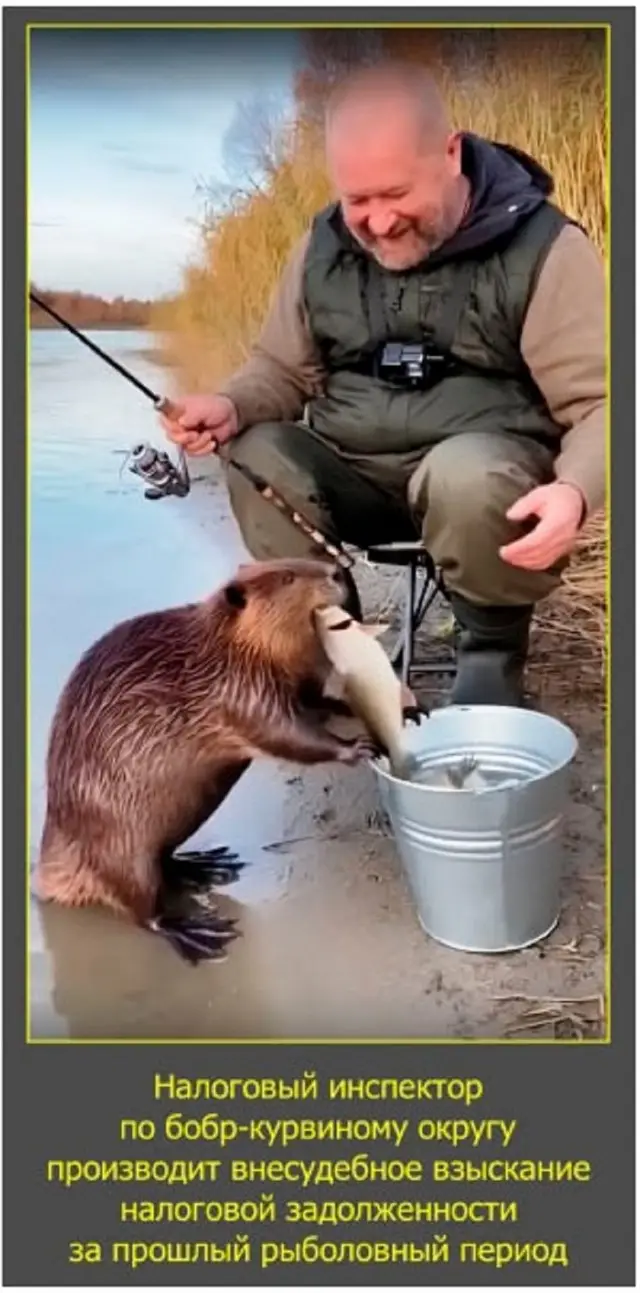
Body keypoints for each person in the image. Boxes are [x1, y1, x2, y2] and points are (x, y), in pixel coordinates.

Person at [160, 60, 606, 706]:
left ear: (450, 154)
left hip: (482, 488)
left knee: (466, 474)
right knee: (255, 451)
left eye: (396, 194)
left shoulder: (546, 246)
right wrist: (230, 405)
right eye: (357, 201)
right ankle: (330, 650)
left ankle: (491, 653)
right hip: (353, 474)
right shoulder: (321, 248)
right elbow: (281, 369)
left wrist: (575, 491)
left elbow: (601, 403)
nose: (378, 221)